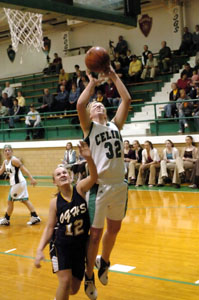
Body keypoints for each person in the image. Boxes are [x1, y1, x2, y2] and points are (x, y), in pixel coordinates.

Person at [77, 65, 131, 300]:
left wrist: (113, 76)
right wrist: (91, 83)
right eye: (93, 105)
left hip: (120, 185)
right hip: (100, 187)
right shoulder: (90, 128)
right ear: (89, 115)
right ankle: (89, 274)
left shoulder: (114, 125)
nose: (97, 104)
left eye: (99, 103)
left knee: (115, 229)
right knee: (96, 234)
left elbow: (126, 99)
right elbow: (80, 105)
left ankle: (104, 262)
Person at [34, 141, 97, 300]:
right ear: (54, 182)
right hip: (60, 245)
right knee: (65, 281)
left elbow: (95, 177)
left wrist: (89, 159)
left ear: (70, 176)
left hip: (80, 245)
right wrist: (39, 249)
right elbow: (49, 228)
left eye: (64, 173)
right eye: (58, 174)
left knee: (73, 289)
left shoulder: (80, 188)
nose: (62, 175)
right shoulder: (55, 202)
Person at [0, 144, 40, 226]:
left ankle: (6, 219)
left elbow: (24, 169)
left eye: (9, 150)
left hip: (18, 183)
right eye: (5, 150)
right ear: (3, 152)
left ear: (12, 151)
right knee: (24, 200)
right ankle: (34, 216)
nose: (7, 152)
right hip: (16, 184)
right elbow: (0, 171)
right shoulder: (5, 162)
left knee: (9, 201)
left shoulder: (14, 160)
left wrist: (31, 178)